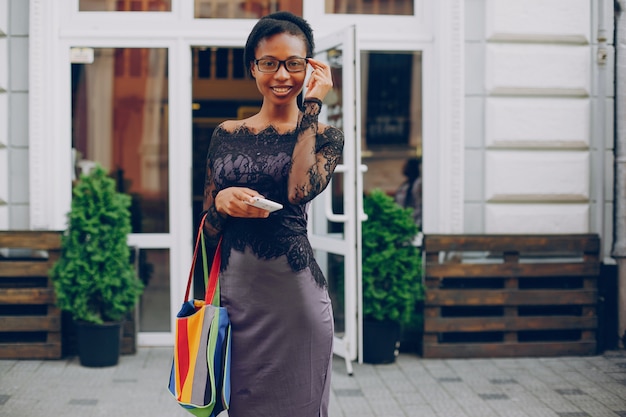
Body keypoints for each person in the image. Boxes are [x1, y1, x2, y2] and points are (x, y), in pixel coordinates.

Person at [201, 11, 344, 417]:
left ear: (310, 68)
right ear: (254, 67)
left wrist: (313, 104)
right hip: (239, 300)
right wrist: (221, 203)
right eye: (270, 63)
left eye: (294, 63)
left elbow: (299, 189)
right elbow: (208, 231)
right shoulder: (225, 135)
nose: (282, 75)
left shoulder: (328, 137)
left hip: (296, 300)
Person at [395, 157, 422, 229]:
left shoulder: (418, 184)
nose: (403, 168)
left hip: (415, 222)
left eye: (406, 166)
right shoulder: (405, 185)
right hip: (403, 221)